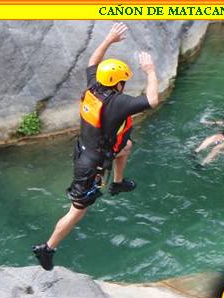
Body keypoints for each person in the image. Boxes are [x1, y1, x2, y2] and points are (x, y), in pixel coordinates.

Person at [33, 23, 159, 271]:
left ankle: (118, 183)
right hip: (91, 164)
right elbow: (152, 99)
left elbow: (92, 60)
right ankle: (46, 248)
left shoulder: (93, 86)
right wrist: (151, 71)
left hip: (88, 149)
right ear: (118, 83)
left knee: (127, 145)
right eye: (124, 80)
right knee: (77, 212)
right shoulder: (118, 103)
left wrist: (109, 40)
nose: (125, 84)